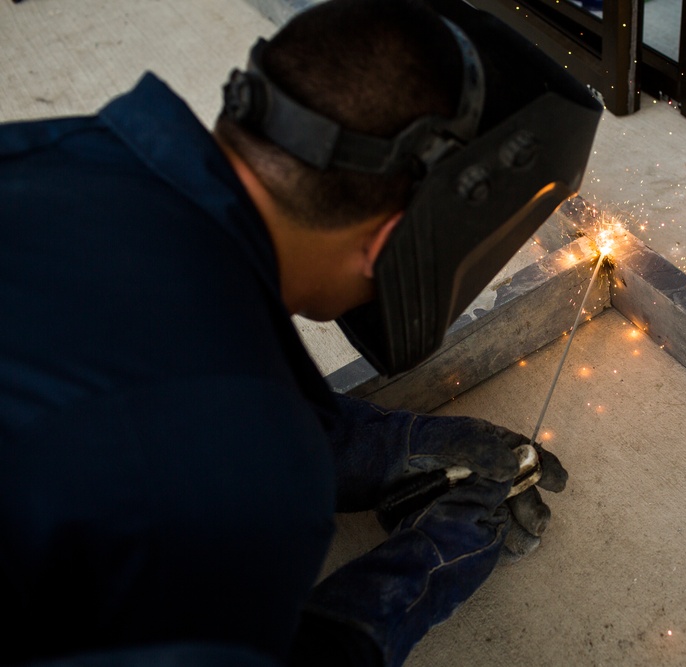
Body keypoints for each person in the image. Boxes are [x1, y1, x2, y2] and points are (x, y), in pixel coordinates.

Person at [0, 0, 601, 665]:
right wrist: (417, 574)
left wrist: (379, 444)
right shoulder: (256, 484)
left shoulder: (53, 157)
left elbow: (110, 362)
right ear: (389, 246)